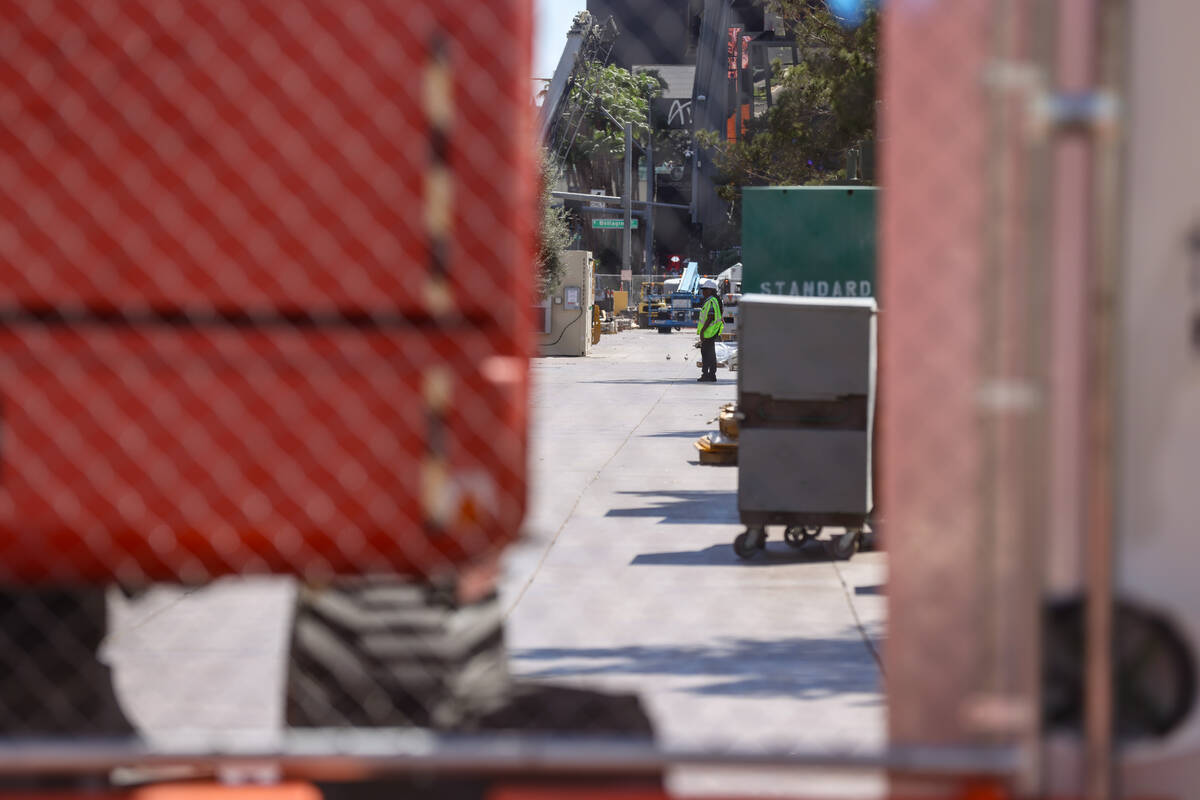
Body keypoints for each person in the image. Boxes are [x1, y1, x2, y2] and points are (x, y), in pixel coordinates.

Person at [696, 278, 724, 382]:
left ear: (711, 290)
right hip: (711, 332)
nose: (703, 291)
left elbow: (710, 317)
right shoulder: (713, 300)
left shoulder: (711, 301)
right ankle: (711, 375)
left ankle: (706, 375)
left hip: (709, 332)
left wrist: (702, 331)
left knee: (706, 353)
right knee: (711, 354)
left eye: (705, 289)